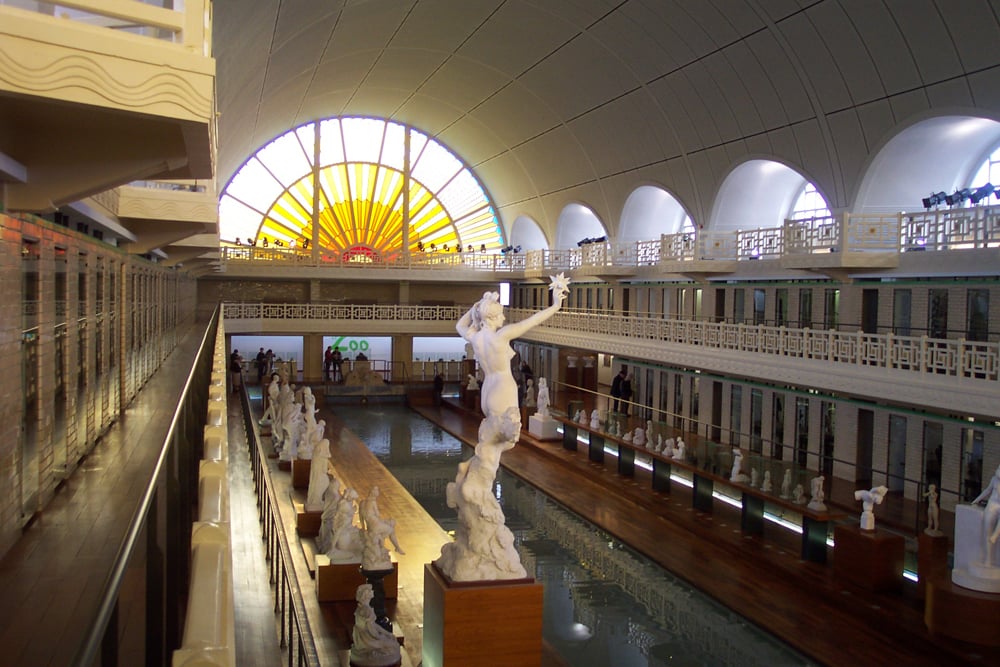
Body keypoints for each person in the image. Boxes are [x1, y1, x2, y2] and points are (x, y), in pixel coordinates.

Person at [456, 273, 570, 421]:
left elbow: (459, 325)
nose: (503, 318)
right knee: (507, 435)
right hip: (503, 387)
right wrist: (555, 306)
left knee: (493, 437)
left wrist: (475, 308)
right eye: (501, 315)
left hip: (487, 388)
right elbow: (532, 321)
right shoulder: (501, 335)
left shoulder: (475, 337)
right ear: (492, 318)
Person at [971, 463, 1000, 567]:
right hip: (992, 504)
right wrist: (976, 500)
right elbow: (987, 491)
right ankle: (988, 559)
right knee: (987, 532)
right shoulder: (994, 480)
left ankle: (996, 534)